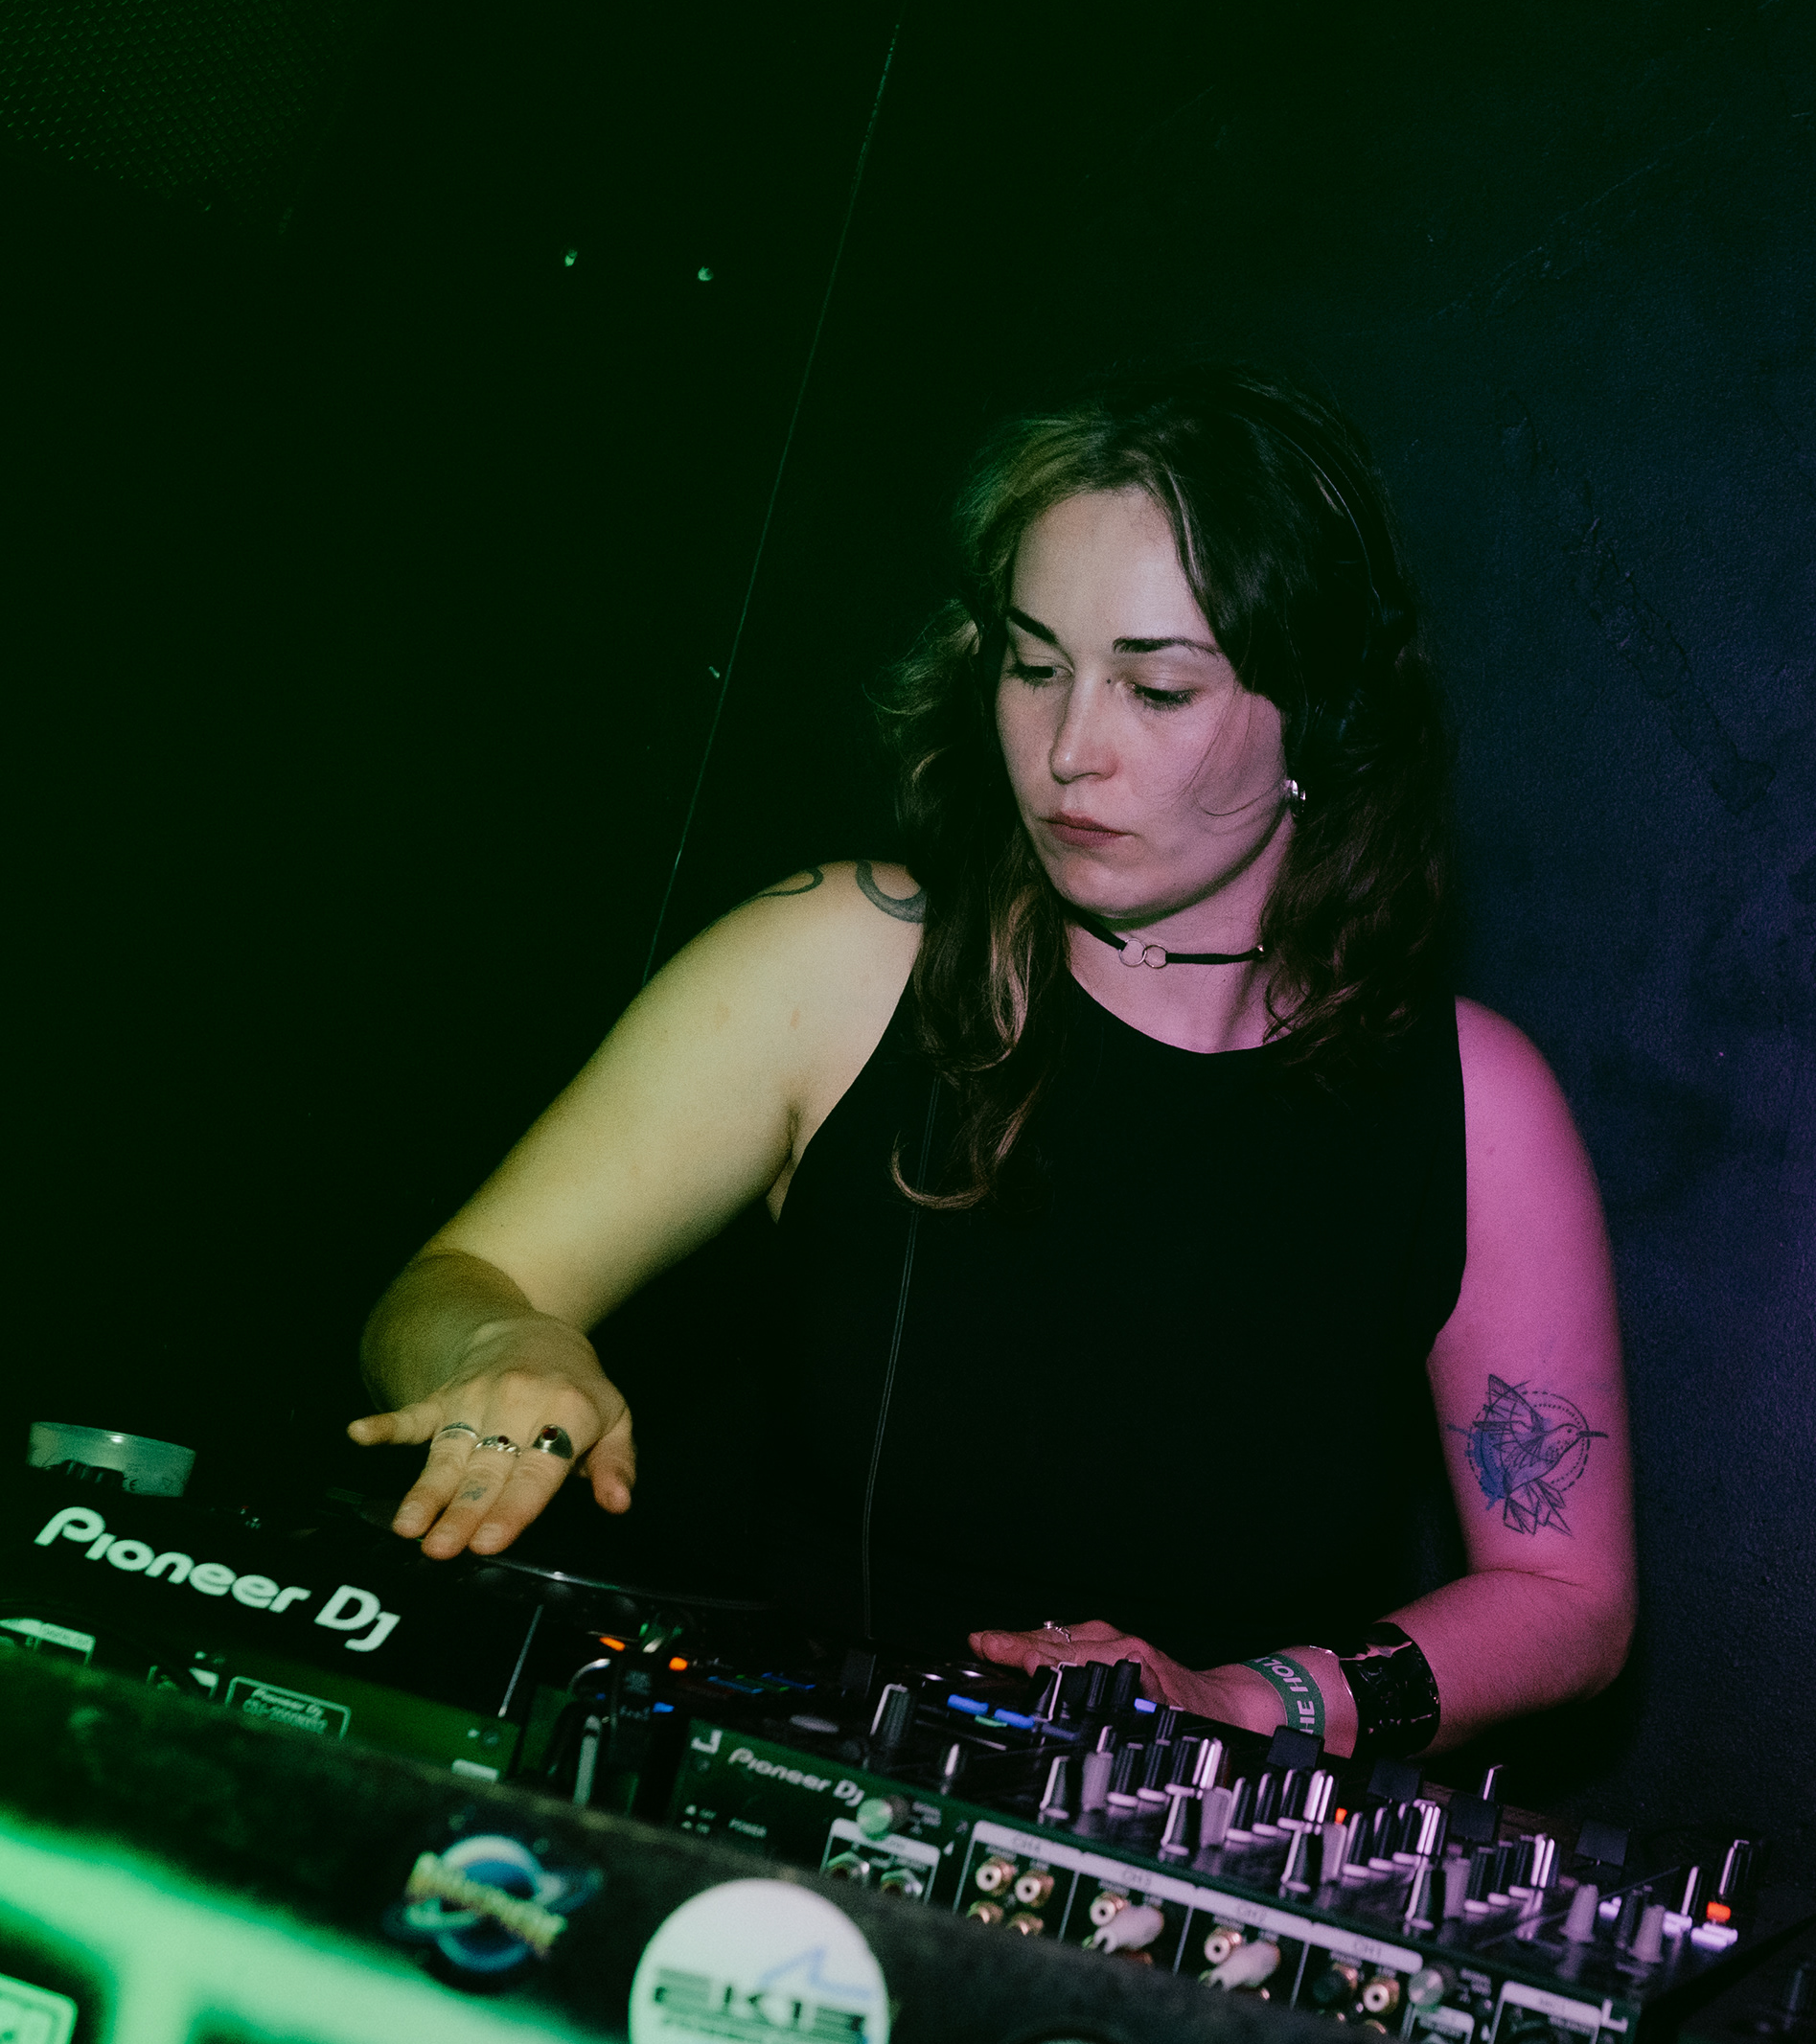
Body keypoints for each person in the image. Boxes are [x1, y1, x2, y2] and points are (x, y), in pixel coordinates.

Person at [351, 362, 1635, 1761]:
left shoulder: (1474, 1105)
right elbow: (455, 1283)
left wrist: (1248, 1704)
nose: (1070, 751)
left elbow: (1568, 1598)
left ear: (1319, 713)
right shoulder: (840, 964)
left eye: (1156, 688)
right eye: (1033, 668)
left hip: (1163, 1849)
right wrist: (503, 1345)